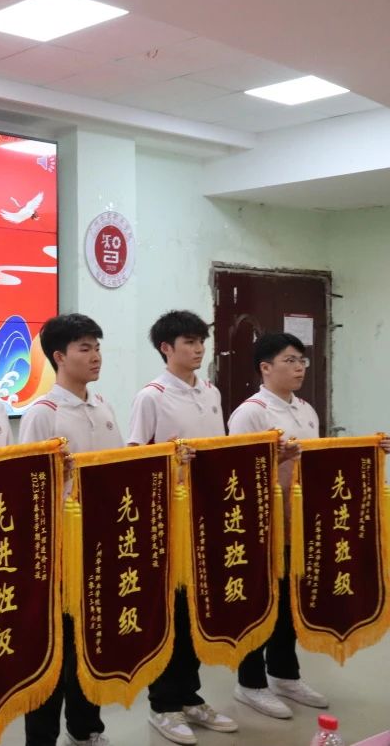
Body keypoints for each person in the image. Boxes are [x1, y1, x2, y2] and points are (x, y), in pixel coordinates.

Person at [128, 310, 237, 745]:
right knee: (168, 613)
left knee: (195, 611)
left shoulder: (211, 391)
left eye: (200, 341)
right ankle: (163, 705)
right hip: (168, 521)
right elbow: (135, 460)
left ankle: (190, 697)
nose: (198, 349)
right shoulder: (151, 396)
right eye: (189, 342)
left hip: (206, 516)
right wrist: (170, 463)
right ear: (166, 348)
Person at [19, 314, 118, 746]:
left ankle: (86, 728)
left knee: (91, 640)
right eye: (84, 348)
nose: (95, 356)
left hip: (102, 543)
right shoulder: (42, 413)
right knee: (53, 648)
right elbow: (28, 487)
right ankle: (42, 737)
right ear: (59, 357)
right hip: (59, 549)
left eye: (97, 346)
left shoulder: (103, 406)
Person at [225, 332, 325, 719]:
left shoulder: (306, 409)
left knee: (289, 601)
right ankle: (250, 683)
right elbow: (237, 472)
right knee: (259, 603)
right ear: (265, 368)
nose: (299, 368)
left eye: (302, 360)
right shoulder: (250, 413)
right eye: (290, 360)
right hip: (260, 524)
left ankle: (284, 674)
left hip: (296, 522)